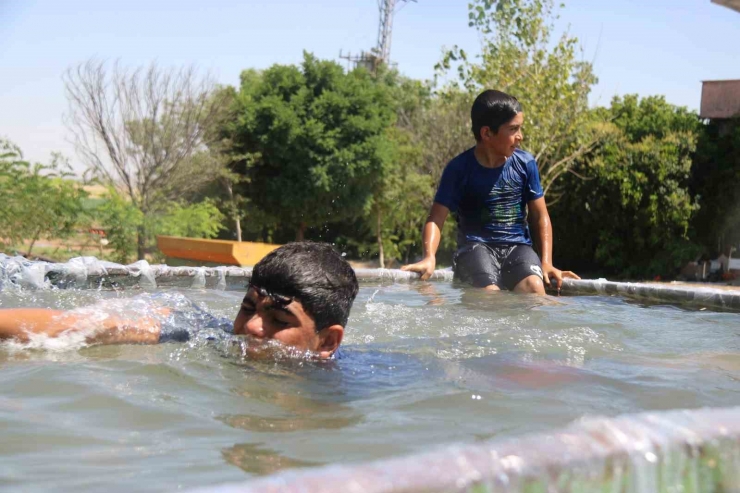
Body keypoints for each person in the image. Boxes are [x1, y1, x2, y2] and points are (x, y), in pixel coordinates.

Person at [0, 242, 359, 360]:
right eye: (248, 308)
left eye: (279, 321)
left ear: (327, 342)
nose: (250, 327)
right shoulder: (207, 336)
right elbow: (79, 325)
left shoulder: (362, 387)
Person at [402, 89, 579, 294]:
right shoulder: (459, 169)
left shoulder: (526, 164)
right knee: (489, 294)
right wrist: (429, 256)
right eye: (513, 129)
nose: (520, 137)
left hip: (517, 247)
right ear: (487, 133)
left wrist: (546, 262)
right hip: (475, 248)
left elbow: (540, 216)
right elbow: (436, 218)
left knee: (534, 287)